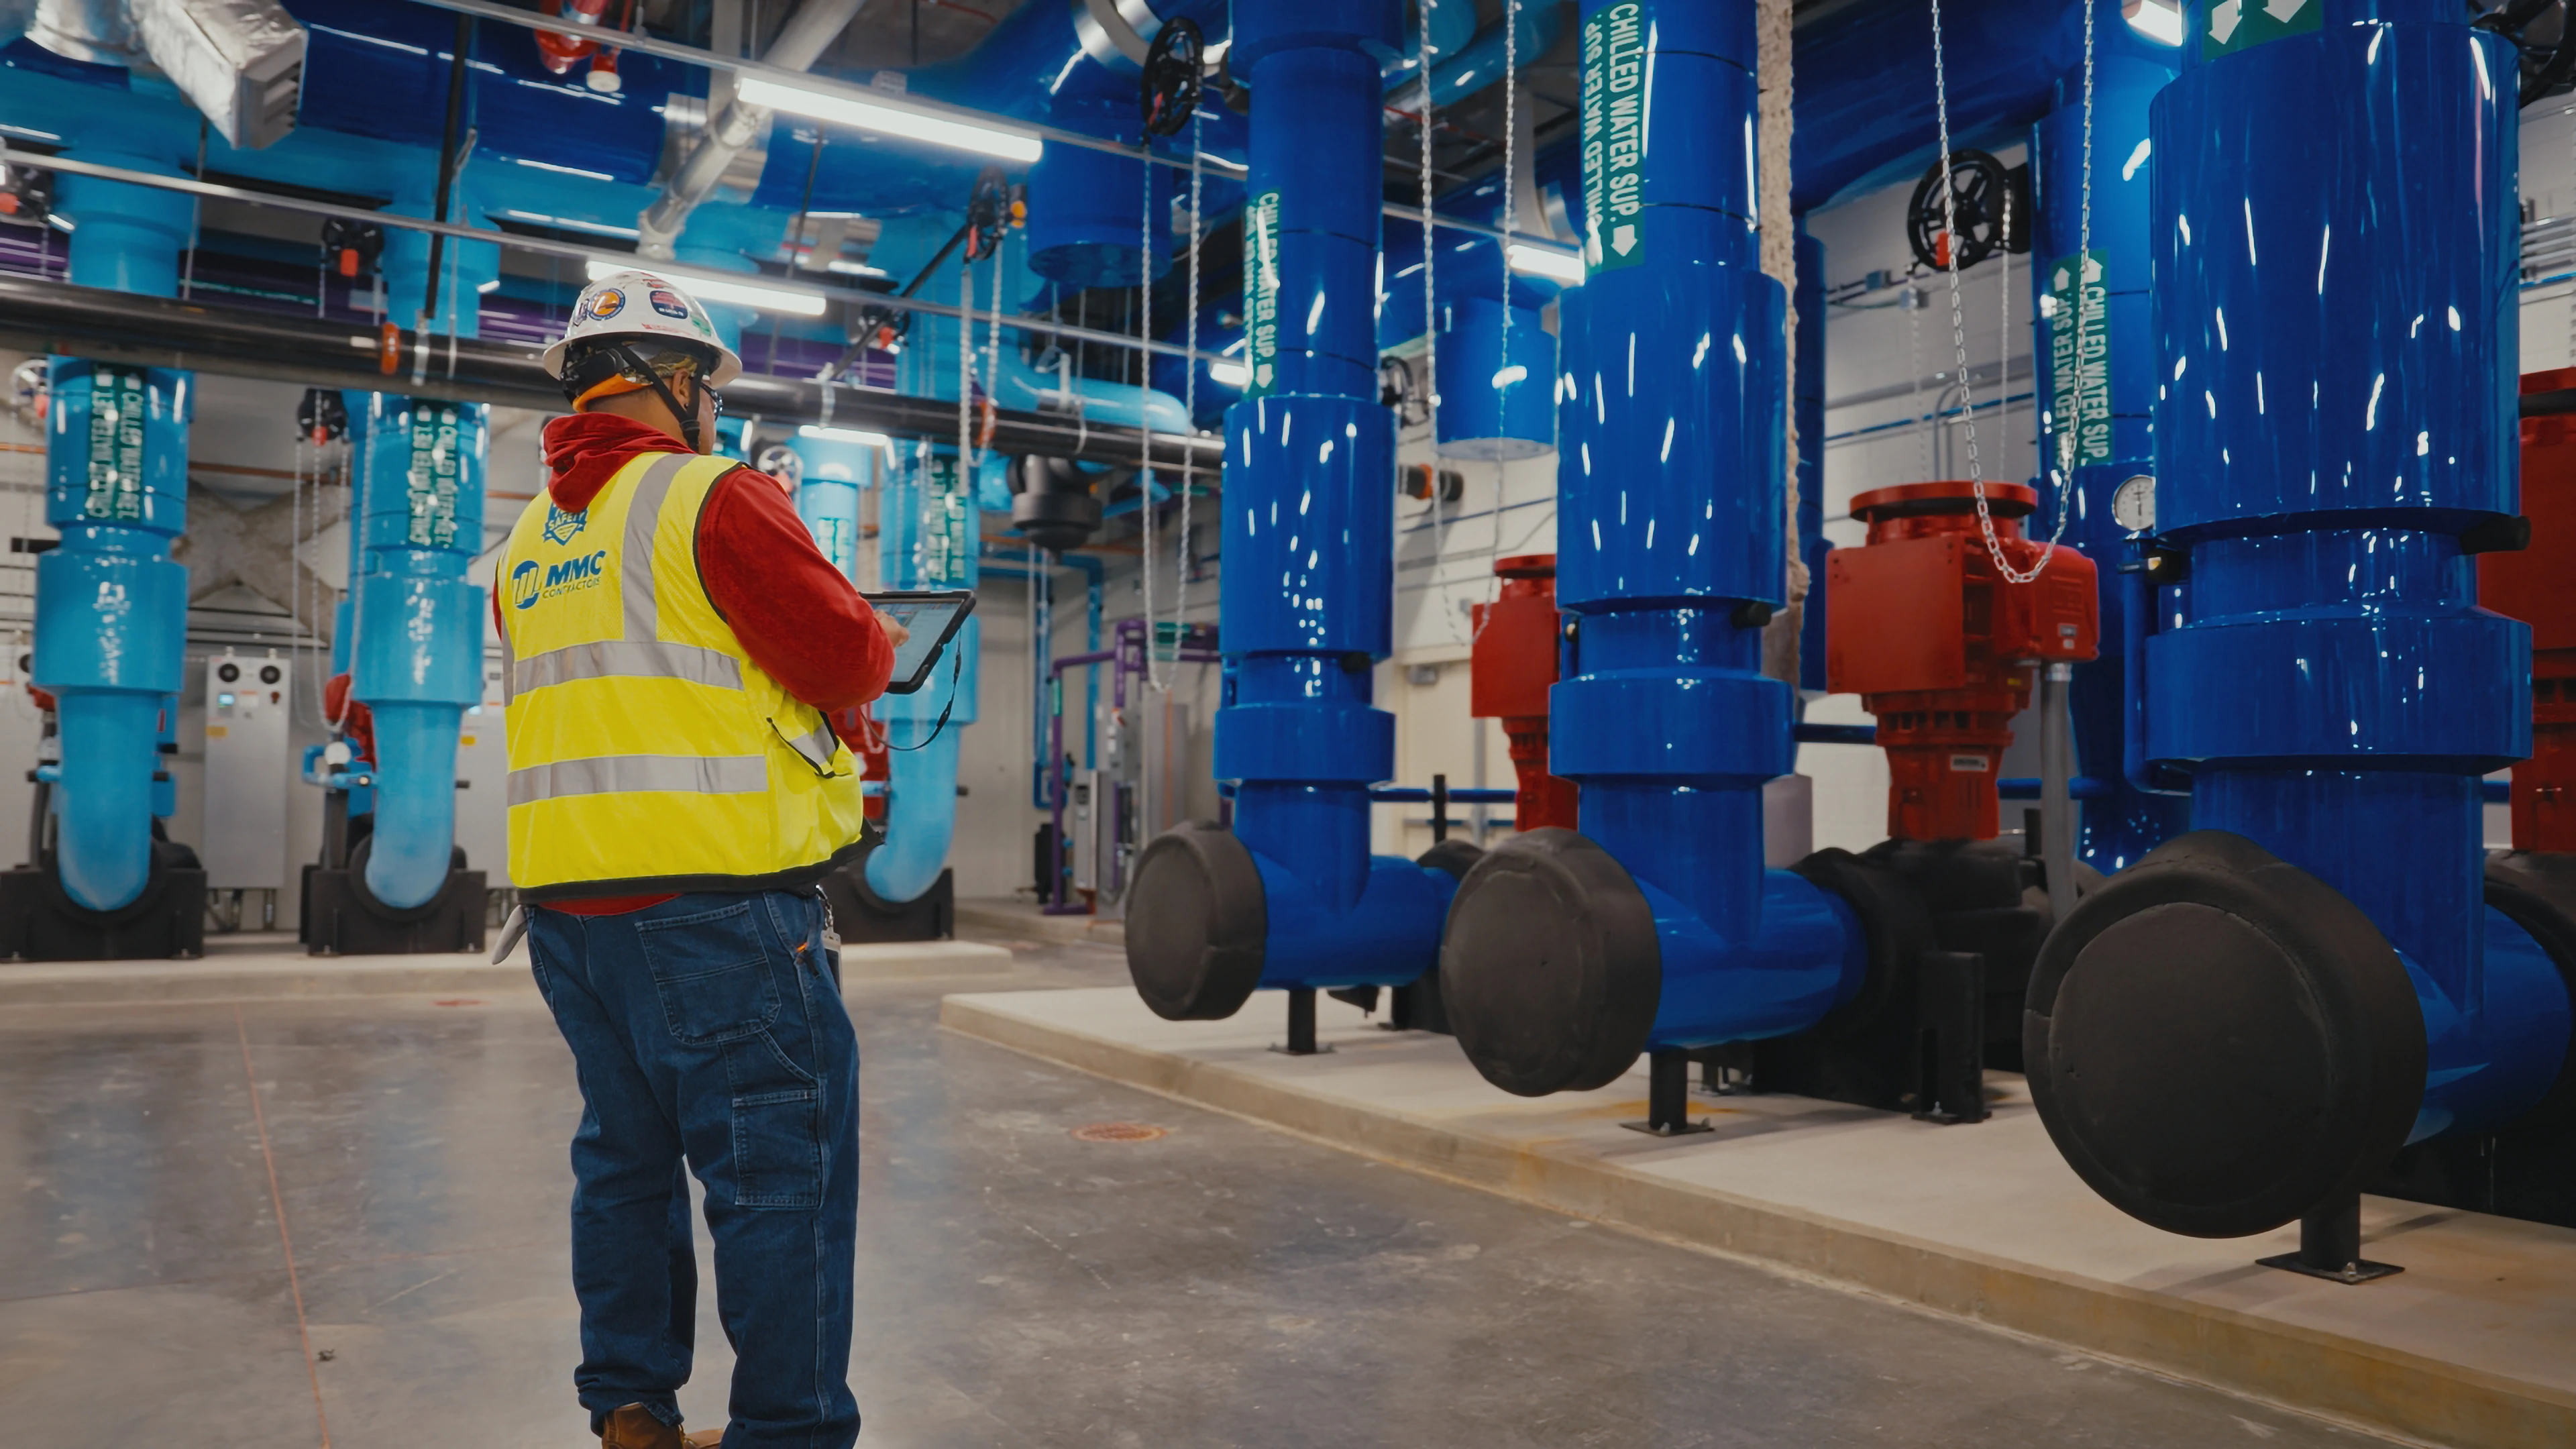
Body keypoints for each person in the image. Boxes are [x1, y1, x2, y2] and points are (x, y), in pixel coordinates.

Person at [496, 269, 905, 1449]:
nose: (714, 411)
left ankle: (630, 1411)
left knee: (623, 1169)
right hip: (716, 913)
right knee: (782, 1184)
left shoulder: (531, 542)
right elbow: (848, 658)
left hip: (572, 917)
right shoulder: (714, 497)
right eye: (708, 388)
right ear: (675, 383)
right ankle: (788, 1433)